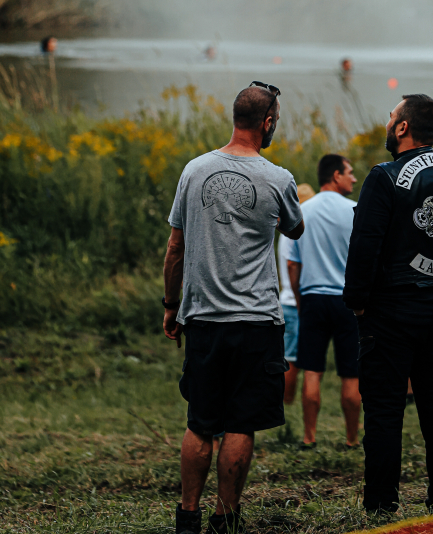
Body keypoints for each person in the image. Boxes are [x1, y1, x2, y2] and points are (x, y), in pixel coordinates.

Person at [163, 82, 305, 534]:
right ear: (268, 122)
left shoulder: (194, 170)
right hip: (256, 321)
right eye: (276, 120)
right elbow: (296, 230)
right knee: (241, 423)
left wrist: (171, 306)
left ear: (235, 117)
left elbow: (175, 247)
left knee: (200, 422)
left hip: (203, 318)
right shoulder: (279, 178)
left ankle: (188, 516)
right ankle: (225, 519)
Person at [343, 94, 433, 516]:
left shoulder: (383, 177)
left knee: (384, 411)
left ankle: (382, 505)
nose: (388, 123)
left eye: (391, 117)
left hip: (390, 311)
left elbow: (365, 245)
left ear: (402, 127)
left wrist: (356, 302)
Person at [286, 154, 360, 449]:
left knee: (312, 370)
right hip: (347, 300)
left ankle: (309, 437)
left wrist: (299, 298)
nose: (354, 178)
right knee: (351, 374)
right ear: (335, 175)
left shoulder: (303, 211)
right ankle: (352, 439)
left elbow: (292, 264)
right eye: (350, 172)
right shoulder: (356, 210)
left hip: (313, 299)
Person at [278, 183, 315, 404]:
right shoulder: (295, 232)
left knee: (292, 357)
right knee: (291, 358)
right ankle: (286, 403)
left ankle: (287, 402)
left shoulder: (287, 230)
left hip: (289, 300)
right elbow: (293, 265)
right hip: (294, 303)